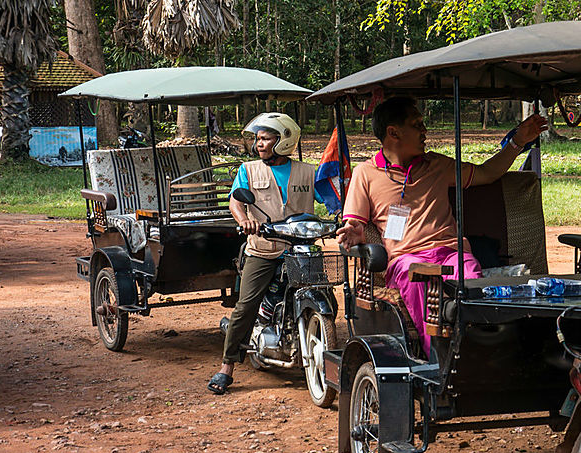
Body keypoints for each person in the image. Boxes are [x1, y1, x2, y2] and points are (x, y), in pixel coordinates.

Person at [336, 97, 547, 356]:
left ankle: (480, 352)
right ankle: (438, 358)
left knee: (470, 276)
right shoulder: (365, 173)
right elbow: (355, 222)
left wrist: (518, 142)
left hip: (452, 254)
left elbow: (487, 173)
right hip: (406, 260)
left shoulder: (438, 165)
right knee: (417, 281)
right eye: (417, 125)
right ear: (393, 132)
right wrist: (354, 232)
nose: (425, 131)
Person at [208, 113, 318, 395]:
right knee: (246, 305)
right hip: (263, 248)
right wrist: (244, 219)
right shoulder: (248, 169)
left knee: (322, 291)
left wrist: (342, 211)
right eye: (258, 139)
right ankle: (226, 366)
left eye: (266, 138)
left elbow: (331, 197)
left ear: (284, 140)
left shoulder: (308, 172)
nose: (260, 144)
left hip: (299, 248)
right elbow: (236, 200)